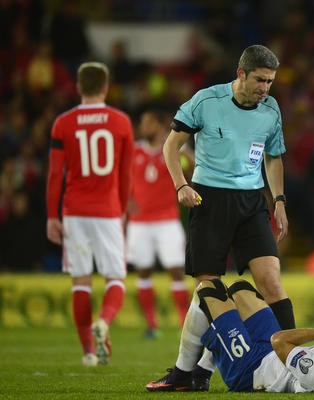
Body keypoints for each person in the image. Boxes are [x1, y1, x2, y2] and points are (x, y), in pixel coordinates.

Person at [160, 44, 295, 391]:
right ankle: (187, 373)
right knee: (208, 289)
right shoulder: (206, 101)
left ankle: (291, 362)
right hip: (210, 198)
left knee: (271, 280)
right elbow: (170, 146)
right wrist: (180, 186)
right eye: (260, 80)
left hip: (251, 203)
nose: (266, 88)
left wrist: (278, 199)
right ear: (241, 74)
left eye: (270, 82)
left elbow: (274, 157)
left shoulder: (271, 109)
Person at [146, 279, 314, 393]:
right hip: (271, 355)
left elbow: (280, 340)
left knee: (206, 291)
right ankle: (201, 374)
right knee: (241, 290)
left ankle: (181, 376)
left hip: (250, 371)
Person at [46, 62, 134, 367]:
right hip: (108, 211)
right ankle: (104, 322)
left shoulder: (63, 123)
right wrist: (122, 209)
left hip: (74, 212)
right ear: (106, 87)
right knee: (116, 278)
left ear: (78, 87)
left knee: (81, 282)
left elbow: (55, 175)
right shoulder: (121, 122)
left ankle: (88, 352)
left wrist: (51, 216)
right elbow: (126, 173)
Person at [126, 110, 192, 337]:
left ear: (159, 124)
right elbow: (122, 179)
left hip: (167, 220)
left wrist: (187, 155)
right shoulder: (134, 151)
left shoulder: (173, 148)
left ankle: (184, 322)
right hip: (139, 222)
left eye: (149, 122)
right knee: (143, 271)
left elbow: (191, 169)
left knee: (175, 269)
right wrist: (126, 202)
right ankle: (151, 325)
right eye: (142, 122)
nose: (144, 127)